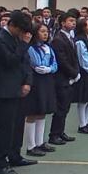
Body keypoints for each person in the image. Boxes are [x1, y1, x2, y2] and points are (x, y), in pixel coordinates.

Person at [0, 10, 34, 174]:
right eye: (21, 29)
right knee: (5, 127)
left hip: (20, 86)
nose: (23, 34)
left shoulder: (17, 37)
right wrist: (23, 44)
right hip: (5, 88)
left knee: (18, 125)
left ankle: (15, 155)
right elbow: (10, 61)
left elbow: (25, 62)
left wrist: (27, 82)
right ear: (12, 25)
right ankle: (1, 162)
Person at [23, 23, 58, 156]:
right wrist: (45, 64)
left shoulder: (48, 47)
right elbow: (37, 64)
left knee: (42, 112)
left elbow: (55, 64)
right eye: (42, 31)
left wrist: (50, 68)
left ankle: (40, 142)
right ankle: (31, 146)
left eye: (47, 31)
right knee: (33, 112)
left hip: (47, 80)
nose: (45, 34)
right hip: (35, 81)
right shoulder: (30, 48)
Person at [49, 11, 80, 145]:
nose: (73, 23)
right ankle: (54, 134)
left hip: (70, 78)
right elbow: (62, 60)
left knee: (66, 107)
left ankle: (61, 132)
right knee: (60, 108)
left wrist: (77, 72)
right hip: (62, 78)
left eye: (74, 21)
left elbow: (74, 58)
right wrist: (73, 73)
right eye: (70, 21)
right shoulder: (58, 39)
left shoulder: (70, 37)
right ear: (63, 23)